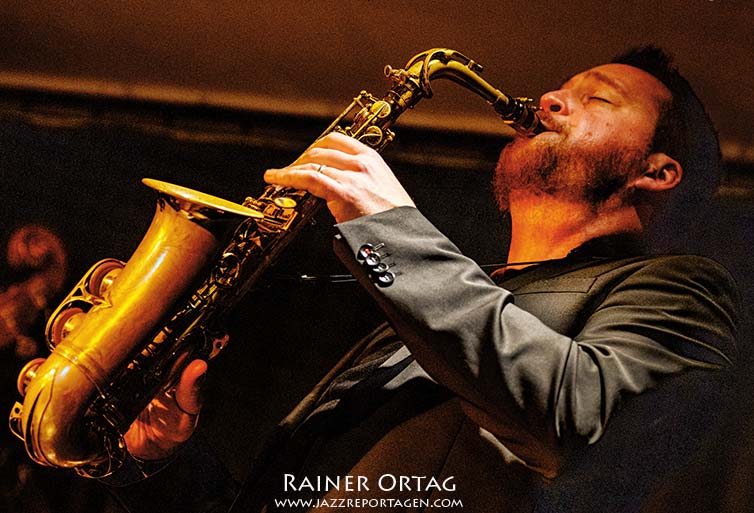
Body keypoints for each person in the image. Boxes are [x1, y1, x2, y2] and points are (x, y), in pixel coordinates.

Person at [106, 47, 740, 513]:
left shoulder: (683, 289)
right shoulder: (423, 307)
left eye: (596, 98)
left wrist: (392, 231)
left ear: (658, 172)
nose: (549, 100)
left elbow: (589, 422)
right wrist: (161, 458)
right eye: (559, 89)